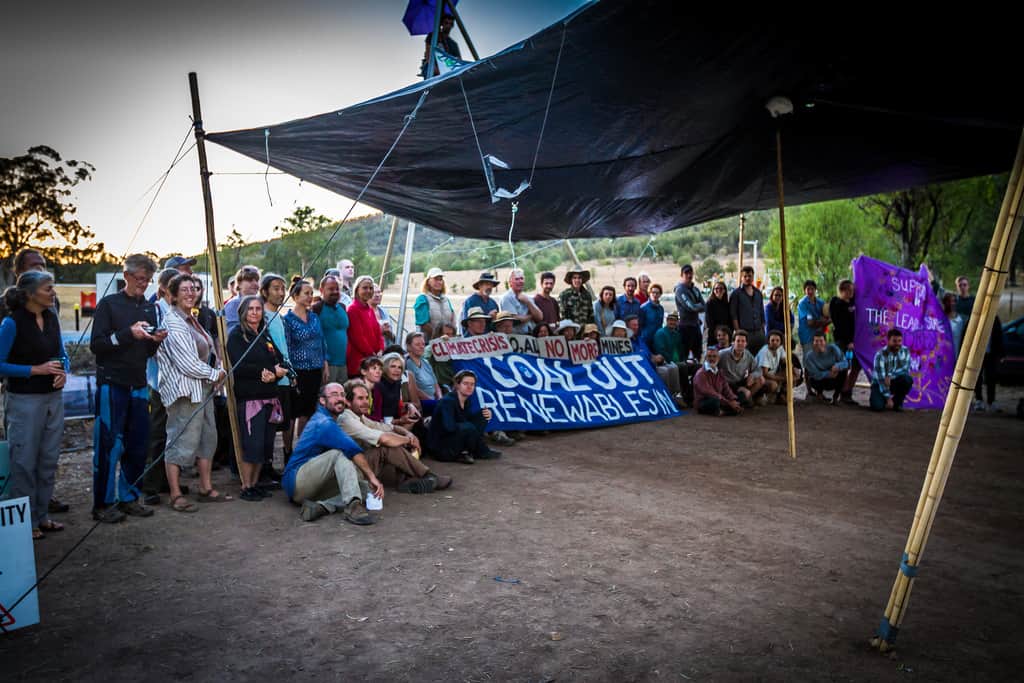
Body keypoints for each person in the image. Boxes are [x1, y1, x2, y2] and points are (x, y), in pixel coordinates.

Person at [90, 254, 166, 523]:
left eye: (147, 280)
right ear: (126, 276)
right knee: (109, 444)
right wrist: (126, 334)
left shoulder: (149, 307)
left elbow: (146, 351)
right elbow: (96, 345)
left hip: (138, 384)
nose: (144, 284)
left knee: (138, 444)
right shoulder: (109, 305)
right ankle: (103, 503)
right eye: (139, 279)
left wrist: (155, 340)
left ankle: (130, 497)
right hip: (112, 383)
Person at [0, 271, 68, 539]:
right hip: (24, 401)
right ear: (30, 294)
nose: (52, 292)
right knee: (24, 461)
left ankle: (42, 515)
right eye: (47, 288)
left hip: (53, 398)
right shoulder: (11, 324)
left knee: (48, 459)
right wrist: (35, 370)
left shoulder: (51, 318)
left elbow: (62, 354)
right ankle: (24, 524)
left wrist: (64, 371)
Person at [156, 274, 229, 512]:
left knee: (208, 437)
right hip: (184, 392)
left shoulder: (192, 319)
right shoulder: (172, 322)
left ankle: (205, 487)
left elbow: (208, 350)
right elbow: (186, 363)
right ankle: (176, 494)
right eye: (185, 289)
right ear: (173, 295)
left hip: (204, 390)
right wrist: (214, 374)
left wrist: (217, 367)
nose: (191, 293)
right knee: (181, 440)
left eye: (194, 289)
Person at [282, 382, 376, 525]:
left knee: (363, 488)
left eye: (342, 395)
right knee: (340, 453)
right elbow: (352, 450)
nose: (340, 398)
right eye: (334, 395)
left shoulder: (332, 418)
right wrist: (372, 476)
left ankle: (323, 506)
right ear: (322, 400)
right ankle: (353, 507)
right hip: (296, 483)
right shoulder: (323, 422)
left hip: (314, 486)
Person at [339, 380, 451, 493]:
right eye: (360, 398)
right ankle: (427, 475)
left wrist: (409, 434)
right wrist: (408, 441)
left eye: (366, 398)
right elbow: (383, 438)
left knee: (395, 441)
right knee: (386, 447)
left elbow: (388, 427)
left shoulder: (360, 417)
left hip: (362, 463)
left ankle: (407, 480)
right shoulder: (346, 419)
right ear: (348, 402)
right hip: (350, 471)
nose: (365, 402)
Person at [227, 295, 287, 501]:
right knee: (251, 444)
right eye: (251, 309)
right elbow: (239, 365)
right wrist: (268, 371)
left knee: (264, 444)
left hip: (270, 396)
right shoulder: (236, 336)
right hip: (251, 397)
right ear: (243, 312)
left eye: (258, 309)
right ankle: (246, 485)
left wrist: (279, 371)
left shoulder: (265, 334)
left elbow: (280, 359)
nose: (255, 312)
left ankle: (256, 483)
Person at [141, 267, 178, 505]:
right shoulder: (155, 310)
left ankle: (166, 480)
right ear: (164, 288)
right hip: (159, 380)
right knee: (156, 433)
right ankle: (150, 485)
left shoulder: (180, 312)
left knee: (171, 433)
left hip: (177, 382)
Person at [284, 277, 329, 441]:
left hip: (315, 370)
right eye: (306, 293)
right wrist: (290, 374)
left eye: (311, 293)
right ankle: (288, 450)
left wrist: (325, 363)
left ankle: (303, 446)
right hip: (298, 372)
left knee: (309, 412)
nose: (310, 297)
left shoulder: (314, 317)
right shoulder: (288, 321)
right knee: (294, 413)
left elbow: (322, 341)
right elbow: (286, 349)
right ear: (295, 296)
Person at [427, 370, 502, 463]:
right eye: (465, 383)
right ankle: (478, 451)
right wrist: (468, 428)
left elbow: (468, 420)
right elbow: (448, 428)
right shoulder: (447, 401)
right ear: (458, 385)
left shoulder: (466, 400)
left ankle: (473, 450)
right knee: (467, 427)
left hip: (455, 439)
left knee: (483, 414)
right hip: (442, 447)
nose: (469, 387)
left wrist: (486, 415)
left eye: (472, 384)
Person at [260, 273, 295, 464]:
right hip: (273, 377)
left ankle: (279, 461)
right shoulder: (263, 316)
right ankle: (267, 464)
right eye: (275, 288)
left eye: (282, 288)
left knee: (285, 421)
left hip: (285, 377)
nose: (281, 293)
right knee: (271, 424)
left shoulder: (279, 317)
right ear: (264, 291)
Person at [313, 274, 349, 384]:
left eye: (337, 289)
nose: (335, 292)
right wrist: (324, 363)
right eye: (331, 289)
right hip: (327, 365)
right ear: (321, 290)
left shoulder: (342, 307)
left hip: (343, 363)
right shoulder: (316, 308)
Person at [653, 312, 695, 405]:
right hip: (667, 362)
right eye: (670, 320)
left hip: (679, 362)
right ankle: (685, 396)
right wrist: (675, 362)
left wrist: (684, 360)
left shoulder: (677, 334)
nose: (672, 322)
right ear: (667, 321)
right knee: (683, 367)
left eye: (674, 320)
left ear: (677, 322)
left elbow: (681, 351)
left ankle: (693, 395)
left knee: (697, 367)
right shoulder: (660, 333)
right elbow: (661, 351)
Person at [346, 275, 384, 378]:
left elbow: (378, 333)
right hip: (359, 362)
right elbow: (357, 337)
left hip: (372, 359)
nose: (368, 291)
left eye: (371, 288)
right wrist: (372, 354)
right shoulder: (352, 309)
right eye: (365, 288)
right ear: (357, 289)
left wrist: (380, 349)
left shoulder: (370, 309)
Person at [829, 279, 859, 405]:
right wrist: (848, 341)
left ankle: (847, 392)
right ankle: (838, 394)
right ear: (842, 291)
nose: (852, 293)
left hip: (855, 340)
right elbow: (840, 324)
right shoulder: (836, 304)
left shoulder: (852, 302)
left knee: (856, 366)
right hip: (843, 341)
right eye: (849, 290)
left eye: (853, 290)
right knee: (843, 366)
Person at [716, 330, 764, 407]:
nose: (740, 343)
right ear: (733, 342)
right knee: (743, 395)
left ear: (746, 344)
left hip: (739, 381)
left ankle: (746, 398)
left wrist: (752, 375)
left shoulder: (748, 355)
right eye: (738, 341)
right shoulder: (722, 354)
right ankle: (738, 402)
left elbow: (758, 370)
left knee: (760, 379)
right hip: (726, 384)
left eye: (743, 341)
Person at [870, 328, 914, 412]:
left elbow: (905, 370)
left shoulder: (905, 351)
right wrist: (888, 398)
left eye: (899, 341)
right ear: (888, 341)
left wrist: (890, 375)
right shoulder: (880, 355)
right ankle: (884, 399)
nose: (897, 343)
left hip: (893, 381)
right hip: (879, 384)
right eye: (894, 341)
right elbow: (882, 379)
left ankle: (897, 403)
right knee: (877, 407)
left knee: (907, 380)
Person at [692, 347, 743, 416]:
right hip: (705, 402)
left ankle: (722, 411)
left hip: (719, 399)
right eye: (709, 356)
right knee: (715, 401)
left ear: (718, 358)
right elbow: (710, 393)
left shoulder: (720, 372)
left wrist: (733, 400)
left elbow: (726, 389)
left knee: (739, 398)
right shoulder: (700, 374)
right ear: (705, 358)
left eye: (714, 356)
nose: (712, 359)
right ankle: (724, 411)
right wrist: (729, 403)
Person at [803, 331, 849, 405]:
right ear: (813, 343)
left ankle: (835, 397)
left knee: (844, 371)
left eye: (821, 341)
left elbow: (846, 363)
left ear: (825, 342)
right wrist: (828, 374)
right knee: (809, 372)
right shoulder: (809, 357)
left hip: (835, 376)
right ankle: (818, 393)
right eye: (816, 341)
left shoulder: (833, 349)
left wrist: (838, 366)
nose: (818, 343)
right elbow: (815, 374)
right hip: (820, 379)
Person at [755, 329, 799, 404]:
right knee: (773, 385)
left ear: (780, 342)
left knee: (793, 375)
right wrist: (783, 378)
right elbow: (765, 374)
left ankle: (782, 395)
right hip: (760, 377)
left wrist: (793, 370)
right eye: (772, 340)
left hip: (773, 374)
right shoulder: (764, 352)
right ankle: (758, 396)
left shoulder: (780, 348)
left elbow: (786, 362)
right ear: (768, 341)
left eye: (777, 340)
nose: (775, 342)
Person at [729, 266, 766, 355]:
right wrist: (738, 332)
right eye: (745, 276)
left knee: (760, 357)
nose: (747, 278)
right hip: (744, 332)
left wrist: (762, 328)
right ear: (741, 277)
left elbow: (761, 311)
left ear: (753, 277)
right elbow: (733, 315)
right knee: (745, 358)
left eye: (749, 276)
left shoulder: (758, 293)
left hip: (758, 332)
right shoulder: (736, 294)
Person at [673, 264, 705, 362]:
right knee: (684, 356)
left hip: (695, 326)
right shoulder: (680, 290)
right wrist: (698, 306)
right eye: (686, 273)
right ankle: (684, 377)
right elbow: (691, 307)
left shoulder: (695, 289)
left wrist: (698, 306)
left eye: (690, 273)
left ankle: (696, 376)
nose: (689, 275)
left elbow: (704, 305)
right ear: (682, 275)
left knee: (698, 354)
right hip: (684, 327)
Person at [414, 267, 456, 342]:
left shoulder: (446, 299)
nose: (439, 282)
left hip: (447, 341)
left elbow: (452, 318)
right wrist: (438, 337)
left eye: (440, 279)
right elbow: (423, 323)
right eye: (436, 279)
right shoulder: (422, 299)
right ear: (428, 281)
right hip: (429, 342)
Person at [973, 317, 1005, 412]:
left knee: (991, 377)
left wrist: (1001, 353)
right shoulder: (977, 317)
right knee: (977, 377)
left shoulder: (995, 319)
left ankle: (991, 401)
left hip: (991, 353)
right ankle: (979, 400)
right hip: (978, 353)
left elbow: (1000, 336)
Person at [498, 268, 543, 334]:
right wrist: (531, 315)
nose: (520, 281)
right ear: (510, 282)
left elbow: (540, 317)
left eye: (522, 278)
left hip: (530, 336)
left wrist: (528, 302)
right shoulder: (506, 298)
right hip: (515, 337)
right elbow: (515, 320)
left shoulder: (528, 298)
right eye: (517, 279)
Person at [420, 11, 461, 78]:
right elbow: (428, 55)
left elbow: (458, 60)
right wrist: (438, 70)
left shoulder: (453, 44)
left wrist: (448, 69)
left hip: (448, 68)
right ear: (442, 24)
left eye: (451, 24)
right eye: (446, 23)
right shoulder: (433, 36)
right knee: (430, 69)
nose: (448, 26)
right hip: (432, 67)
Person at [406, 331, 442, 406]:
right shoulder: (408, 363)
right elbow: (415, 390)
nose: (422, 347)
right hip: (421, 402)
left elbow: (436, 385)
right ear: (409, 347)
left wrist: (440, 398)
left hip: (434, 401)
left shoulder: (426, 362)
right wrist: (434, 402)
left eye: (423, 344)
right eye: (417, 344)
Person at [223, 265, 261, 334]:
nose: (255, 283)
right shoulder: (233, 305)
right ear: (239, 284)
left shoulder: (261, 304)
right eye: (250, 280)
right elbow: (232, 334)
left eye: (257, 280)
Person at [797, 280, 830, 354]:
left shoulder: (821, 302)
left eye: (812, 289)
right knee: (809, 359)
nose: (810, 291)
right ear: (804, 291)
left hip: (820, 336)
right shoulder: (802, 304)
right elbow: (810, 323)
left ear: (815, 290)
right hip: (807, 337)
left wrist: (824, 321)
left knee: (821, 358)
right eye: (808, 289)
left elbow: (828, 317)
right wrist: (824, 321)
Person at [638, 283, 665, 351]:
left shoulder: (661, 309)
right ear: (649, 293)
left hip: (657, 340)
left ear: (660, 294)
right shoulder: (643, 308)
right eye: (653, 292)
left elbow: (660, 324)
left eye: (657, 293)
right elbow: (640, 326)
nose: (655, 295)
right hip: (646, 340)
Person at [705, 281, 731, 347]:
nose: (718, 290)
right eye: (716, 289)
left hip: (725, 336)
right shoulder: (709, 303)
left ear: (724, 290)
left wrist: (727, 334)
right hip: (714, 336)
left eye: (721, 288)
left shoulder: (727, 304)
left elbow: (729, 321)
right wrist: (718, 334)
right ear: (713, 290)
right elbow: (709, 322)